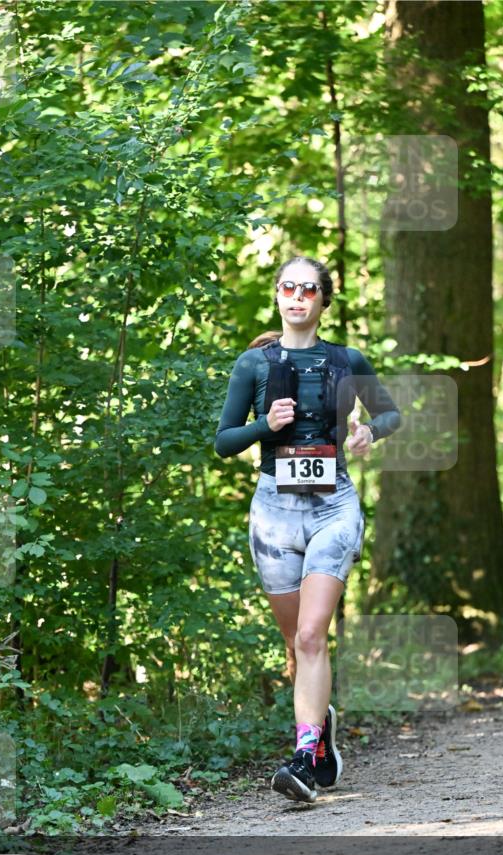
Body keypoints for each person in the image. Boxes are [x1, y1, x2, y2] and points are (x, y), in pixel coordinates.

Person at [214, 256, 401, 804]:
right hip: (273, 511)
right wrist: (263, 425)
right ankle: (321, 736)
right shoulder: (253, 364)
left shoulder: (348, 359)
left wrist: (368, 429)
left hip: (332, 507)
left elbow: (392, 416)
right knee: (296, 646)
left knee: (313, 634)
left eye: (309, 289)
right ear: (277, 295)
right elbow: (224, 440)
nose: (297, 296)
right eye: (288, 287)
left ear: (323, 300)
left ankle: (301, 757)